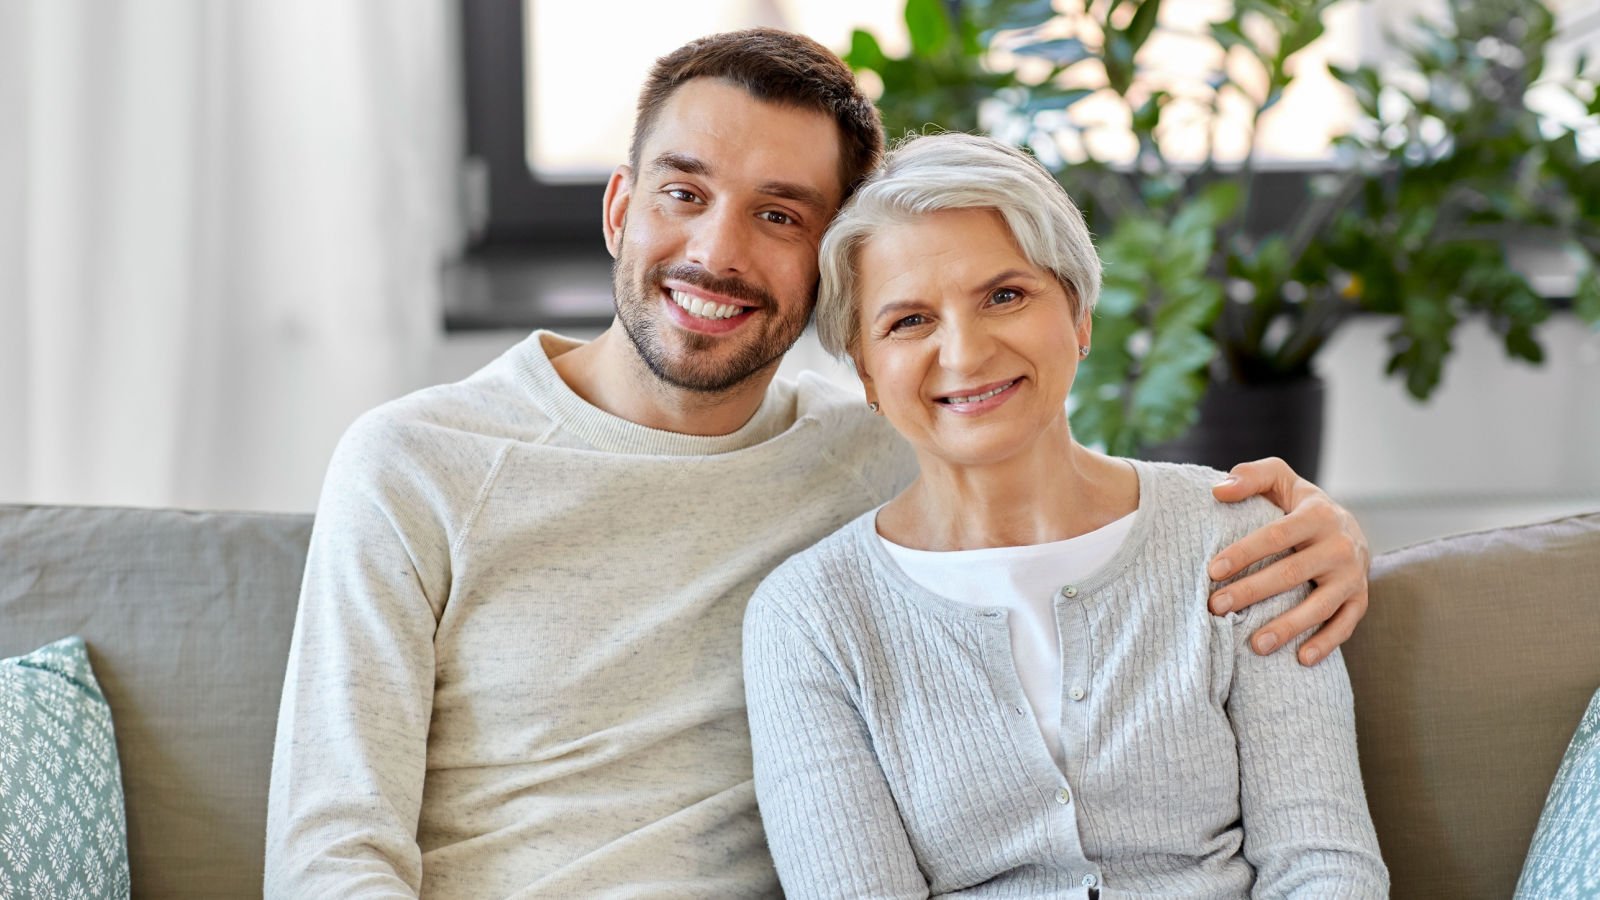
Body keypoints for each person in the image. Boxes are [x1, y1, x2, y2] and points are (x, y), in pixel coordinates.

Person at [266, 29, 1374, 898]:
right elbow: (333, 851)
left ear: (831, 268)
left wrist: (1322, 530)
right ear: (618, 207)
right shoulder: (417, 464)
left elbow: (1061, 485)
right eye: (682, 193)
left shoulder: (877, 446)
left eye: (778, 214)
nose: (715, 252)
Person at [743, 133, 1387, 898]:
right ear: (867, 372)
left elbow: (1325, 865)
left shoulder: (1244, 537)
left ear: (1079, 317)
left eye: (1005, 296)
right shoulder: (809, 618)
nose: (966, 352)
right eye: (909, 321)